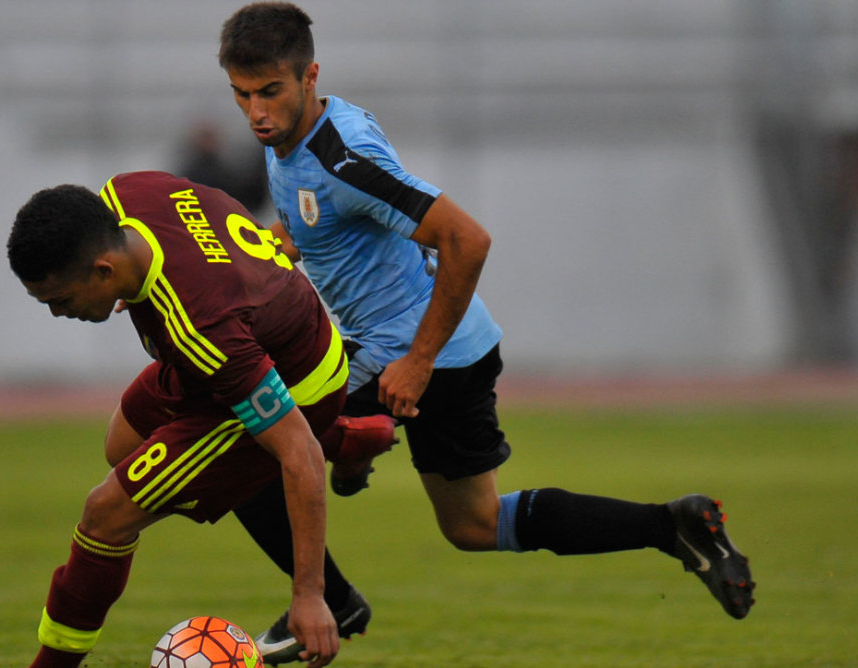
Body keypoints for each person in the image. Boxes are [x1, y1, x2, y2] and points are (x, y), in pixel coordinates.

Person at [218, 2, 757, 662]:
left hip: (411, 352)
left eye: (270, 92)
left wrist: (417, 361)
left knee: (244, 453)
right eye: (242, 96)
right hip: (459, 347)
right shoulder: (299, 138)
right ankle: (672, 526)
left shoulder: (343, 157)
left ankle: (328, 591)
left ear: (309, 77)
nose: (257, 113)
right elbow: (320, 228)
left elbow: (467, 240)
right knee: (474, 524)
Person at [7, 171, 397, 668]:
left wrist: (309, 596)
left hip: (296, 381)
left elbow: (297, 453)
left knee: (106, 514)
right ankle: (343, 438)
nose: (59, 314)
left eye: (61, 300)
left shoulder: (203, 326)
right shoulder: (127, 192)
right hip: (238, 348)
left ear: (106, 271)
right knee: (122, 447)